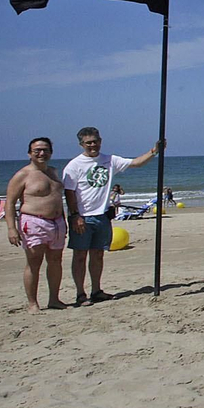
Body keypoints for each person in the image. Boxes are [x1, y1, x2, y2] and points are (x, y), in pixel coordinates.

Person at [63, 127, 159, 303]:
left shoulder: (109, 160)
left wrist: (154, 151)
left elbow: (136, 163)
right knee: (80, 256)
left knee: (98, 254)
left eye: (95, 141)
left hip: (102, 216)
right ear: (81, 144)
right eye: (88, 142)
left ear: (100, 141)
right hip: (82, 217)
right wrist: (75, 215)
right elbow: (69, 193)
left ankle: (96, 290)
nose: (93, 145)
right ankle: (80, 294)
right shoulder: (74, 165)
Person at [5, 136, 67, 312]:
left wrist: (64, 220)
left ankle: (54, 299)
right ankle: (32, 303)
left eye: (45, 150)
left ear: (51, 153)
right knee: (34, 262)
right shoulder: (23, 175)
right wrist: (11, 228)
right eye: (37, 150)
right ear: (29, 153)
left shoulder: (53, 172)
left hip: (57, 223)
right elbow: (10, 203)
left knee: (56, 261)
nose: (42, 153)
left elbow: (57, 199)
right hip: (33, 222)